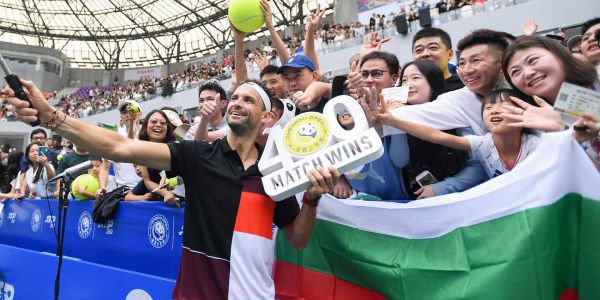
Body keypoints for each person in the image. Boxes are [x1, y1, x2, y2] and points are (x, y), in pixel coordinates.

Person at [5, 79, 340, 299]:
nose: (237, 102)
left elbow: (297, 238)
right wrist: (52, 117)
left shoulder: (274, 171)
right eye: (234, 97)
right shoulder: (198, 156)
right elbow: (120, 148)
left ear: (267, 116)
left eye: (248, 99)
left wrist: (311, 199)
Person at [378, 89, 541, 178]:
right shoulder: (482, 144)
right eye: (488, 108)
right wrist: (393, 121)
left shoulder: (538, 144)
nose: (494, 111)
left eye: (503, 106)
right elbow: (436, 135)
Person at [502, 35, 599, 104]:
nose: (527, 73)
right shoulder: (528, 124)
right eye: (515, 72)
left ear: (559, 53)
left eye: (532, 60)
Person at [137, 109, 180, 206]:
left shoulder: (176, 146)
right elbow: (147, 181)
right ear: (146, 125)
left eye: (163, 123)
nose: (158, 125)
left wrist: (170, 175)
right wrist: (165, 193)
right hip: (159, 200)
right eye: (153, 121)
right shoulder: (141, 151)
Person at [412, 27, 464, 92]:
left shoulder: (466, 86)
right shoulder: (408, 92)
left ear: (450, 54)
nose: (425, 54)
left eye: (433, 47)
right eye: (419, 50)